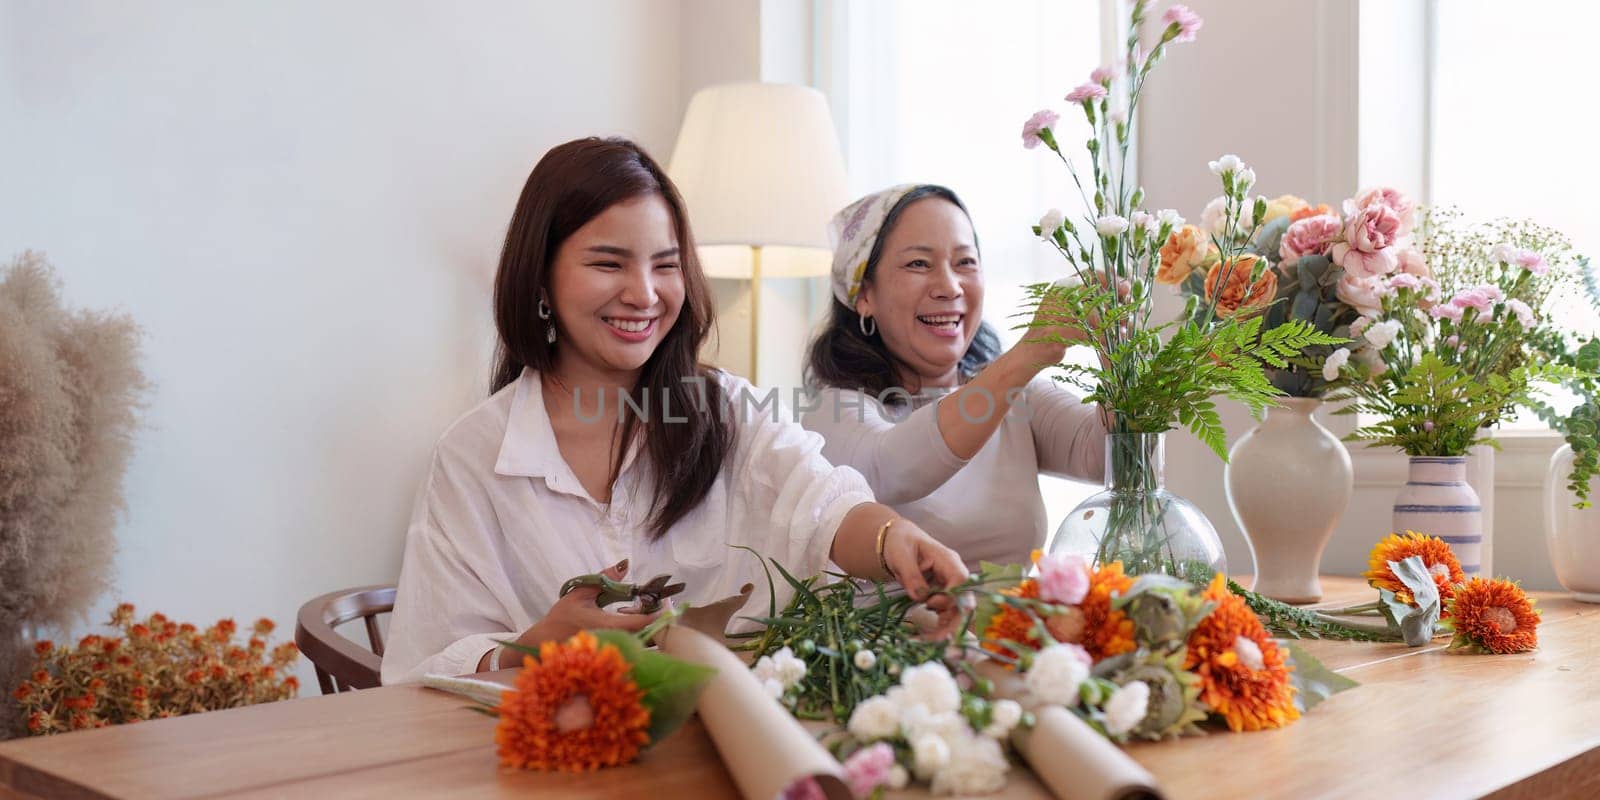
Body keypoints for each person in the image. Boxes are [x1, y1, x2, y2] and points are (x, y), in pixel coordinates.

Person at [381, 141, 966, 684]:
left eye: (665, 265)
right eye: (608, 264)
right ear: (539, 277)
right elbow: (425, 664)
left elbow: (824, 507)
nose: (644, 293)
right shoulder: (474, 456)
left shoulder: (730, 412)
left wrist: (896, 539)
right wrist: (532, 647)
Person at [801, 184, 1107, 569]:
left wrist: (1118, 346)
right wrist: (1030, 352)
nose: (949, 286)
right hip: (881, 632)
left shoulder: (1016, 393)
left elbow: (1109, 458)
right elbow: (891, 468)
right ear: (864, 294)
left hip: (1010, 629)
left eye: (965, 262)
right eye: (918, 264)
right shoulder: (829, 412)